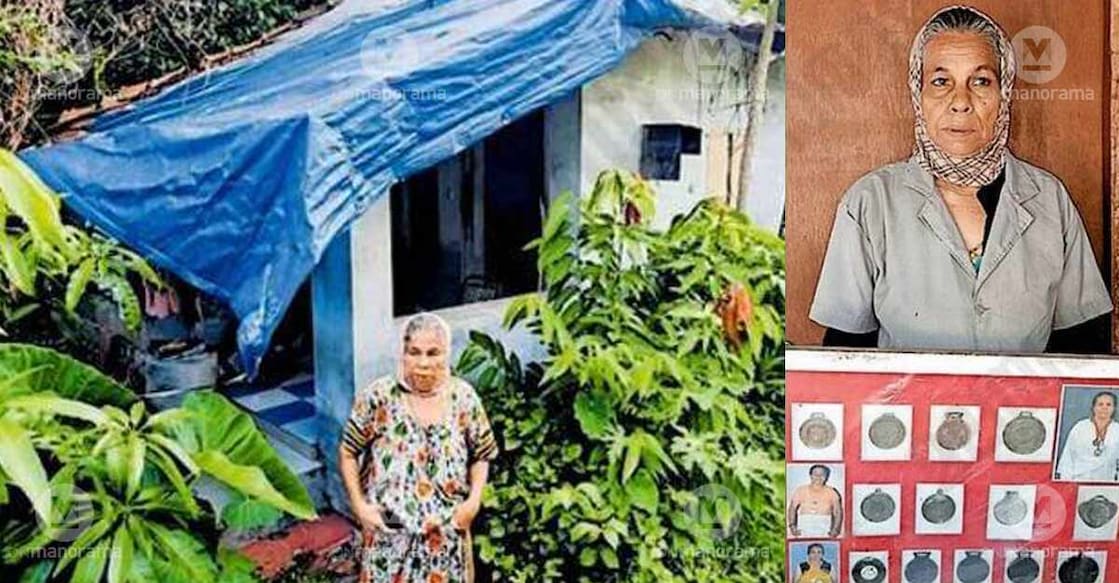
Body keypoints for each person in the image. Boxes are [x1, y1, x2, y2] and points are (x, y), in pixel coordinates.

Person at [810, 5, 1112, 353]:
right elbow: (845, 354)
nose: (960, 102)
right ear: (918, 93)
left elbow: (1080, 350)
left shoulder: (1048, 200)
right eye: (941, 82)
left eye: (981, 81)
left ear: (1004, 93)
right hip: (905, 393)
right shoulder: (870, 203)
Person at [340, 313, 498, 583]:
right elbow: (348, 452)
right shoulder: (379, 397)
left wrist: (472, 504)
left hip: (446, 538)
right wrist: (359, 506)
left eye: (433, 353)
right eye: (414, 352)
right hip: (389, 537)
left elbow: (482, 454)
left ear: (446, 354)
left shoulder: (463, 398)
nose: (423, 363)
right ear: (403, 354)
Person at [1056, 391, 1119, 482]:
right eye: (1100, 404)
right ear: (1093, 407)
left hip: (1107, 481)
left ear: (1114, 408)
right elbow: (1068, 457)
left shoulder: (1117, 429)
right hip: (1078, 479)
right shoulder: (1080, 427)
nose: (1104, 407)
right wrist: (1066, 482)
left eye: (1108, 405)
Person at [787, 465, 843, 538]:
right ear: (810, 476)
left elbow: (838, 512)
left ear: (826, 477)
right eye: (815, 474)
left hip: (824, 529)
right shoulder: (800, 490)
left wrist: (836, 529)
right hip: (804, 528)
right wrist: (792, 526)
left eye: (822, 474)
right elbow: (792, 508)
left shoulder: (832, 492)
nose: (818, 477)